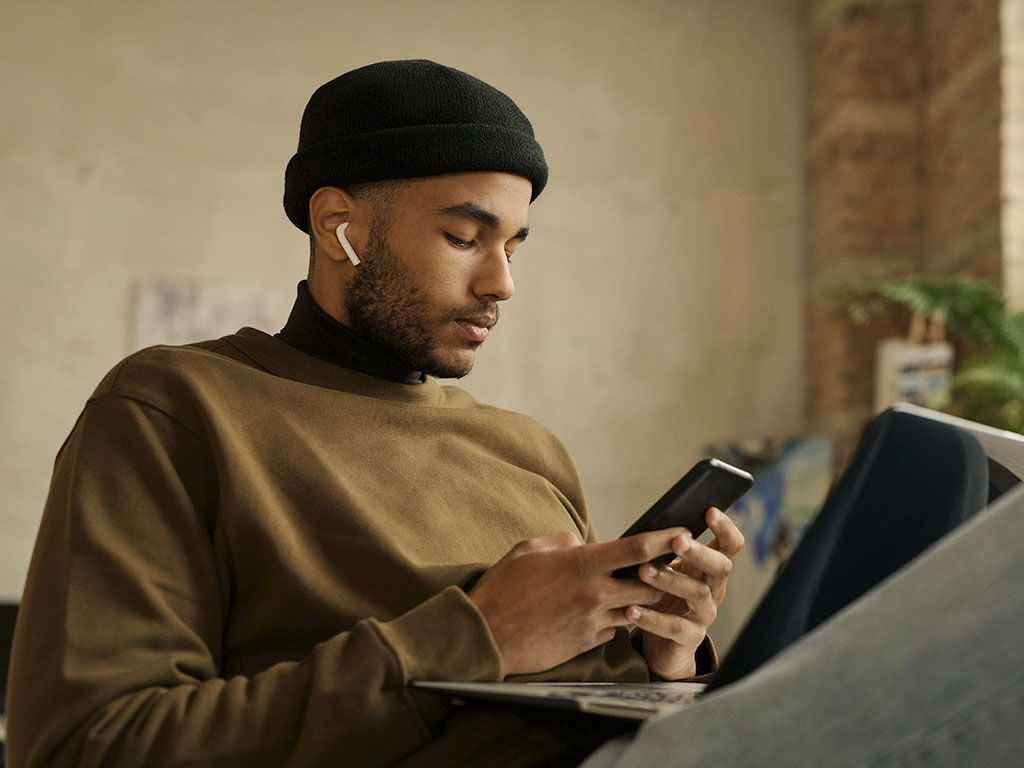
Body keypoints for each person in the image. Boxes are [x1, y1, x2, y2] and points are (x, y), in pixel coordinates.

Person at [6, 60, 745, 768]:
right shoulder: (174, 408)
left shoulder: (529, 451)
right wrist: (478, 635)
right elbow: (89, 747)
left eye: (515, 246)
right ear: (337, 226)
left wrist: (662, 658)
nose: (503, 283)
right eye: (464, 238)